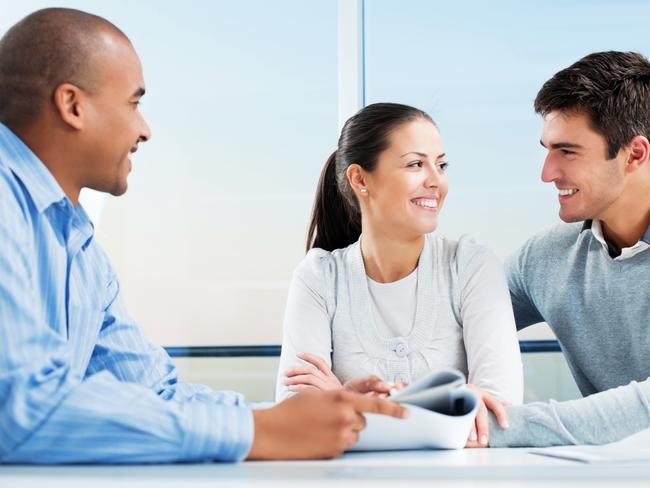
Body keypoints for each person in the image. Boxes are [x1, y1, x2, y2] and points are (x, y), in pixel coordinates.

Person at [0, 8, 408, 464]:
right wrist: (259, 431)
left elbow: (153, 389)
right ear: (72, 105)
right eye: (134, 103)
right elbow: (19, 407)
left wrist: (303, 417)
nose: (145, 129)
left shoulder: (76, 243)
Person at [275, 102, 523, 447]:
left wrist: (345, 405)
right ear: (360, 179)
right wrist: (441, 414)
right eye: (416, 164)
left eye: (441, 165)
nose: (436, 181)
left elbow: (499, 413)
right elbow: (292, 417)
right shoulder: (319, 277)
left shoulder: (471, 265)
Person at [488, 51, 650, 447]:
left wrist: (481, 428)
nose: (547, 173)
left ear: (635, 154)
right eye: (547, 149)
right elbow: (452, 331)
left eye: (567, 151)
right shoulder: (543, 258)